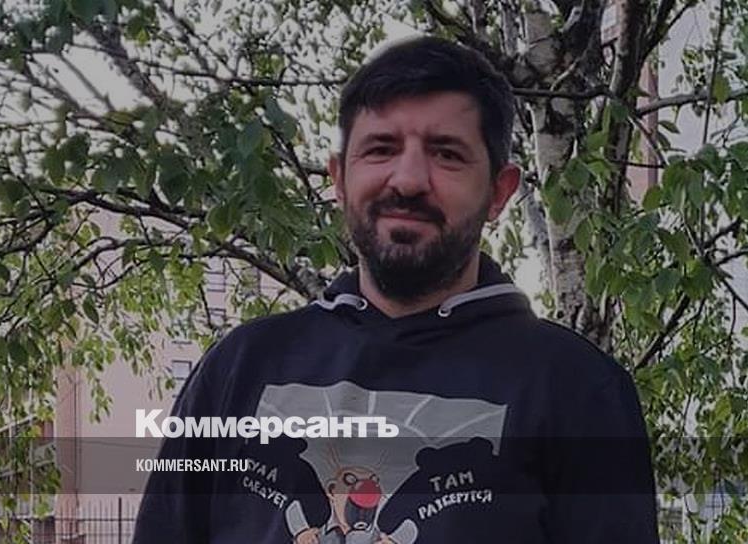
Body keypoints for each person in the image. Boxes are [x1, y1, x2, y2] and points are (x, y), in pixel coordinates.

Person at [133, 36, 659, 544]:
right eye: (380, 149)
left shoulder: (577, 389)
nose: (408, 180)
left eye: (447, 154)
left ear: (498, 193)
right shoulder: (239, 368)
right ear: (339, 180)